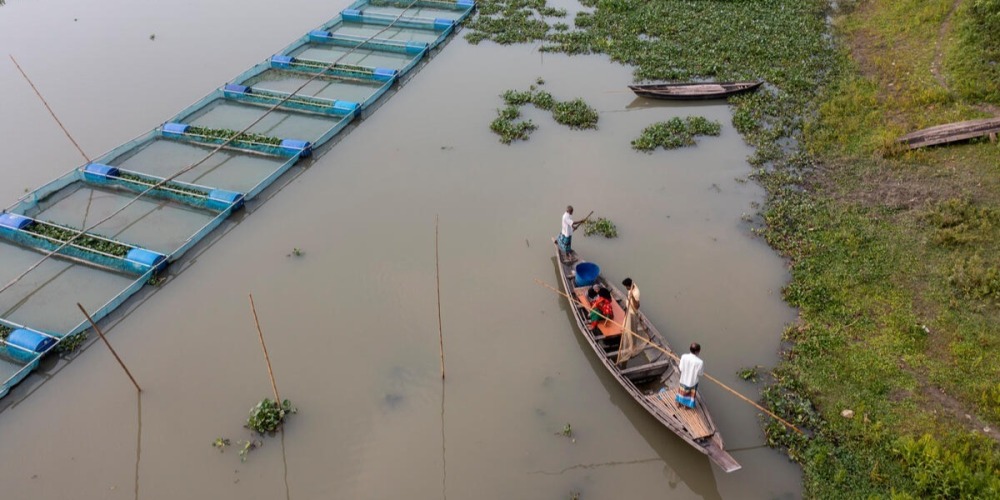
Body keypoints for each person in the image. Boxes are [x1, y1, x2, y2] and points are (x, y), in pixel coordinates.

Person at [676, 343, 704, 408]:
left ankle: (679, 402)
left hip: (683, 380)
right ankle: (687, 405)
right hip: (692, 382)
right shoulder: (700, 362)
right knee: (690, 394)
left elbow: (681, 368)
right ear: (697, 351)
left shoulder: (684, 356)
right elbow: (700, 373)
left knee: (682, 392)